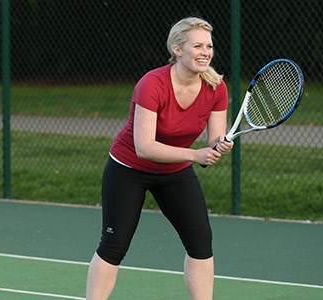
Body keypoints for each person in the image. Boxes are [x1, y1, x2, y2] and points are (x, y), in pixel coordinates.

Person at [85, 17, 233, 300]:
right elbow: (145, 147)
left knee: (201, 242)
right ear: (178, 49)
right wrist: (195, 154)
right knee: (114, 245)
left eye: (209, 46)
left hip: (175, 171)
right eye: (197, 46)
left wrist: (217, 146)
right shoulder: (152, 84)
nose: (205, 52)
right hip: (129, 168)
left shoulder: (217, 88)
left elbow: (214, 138)